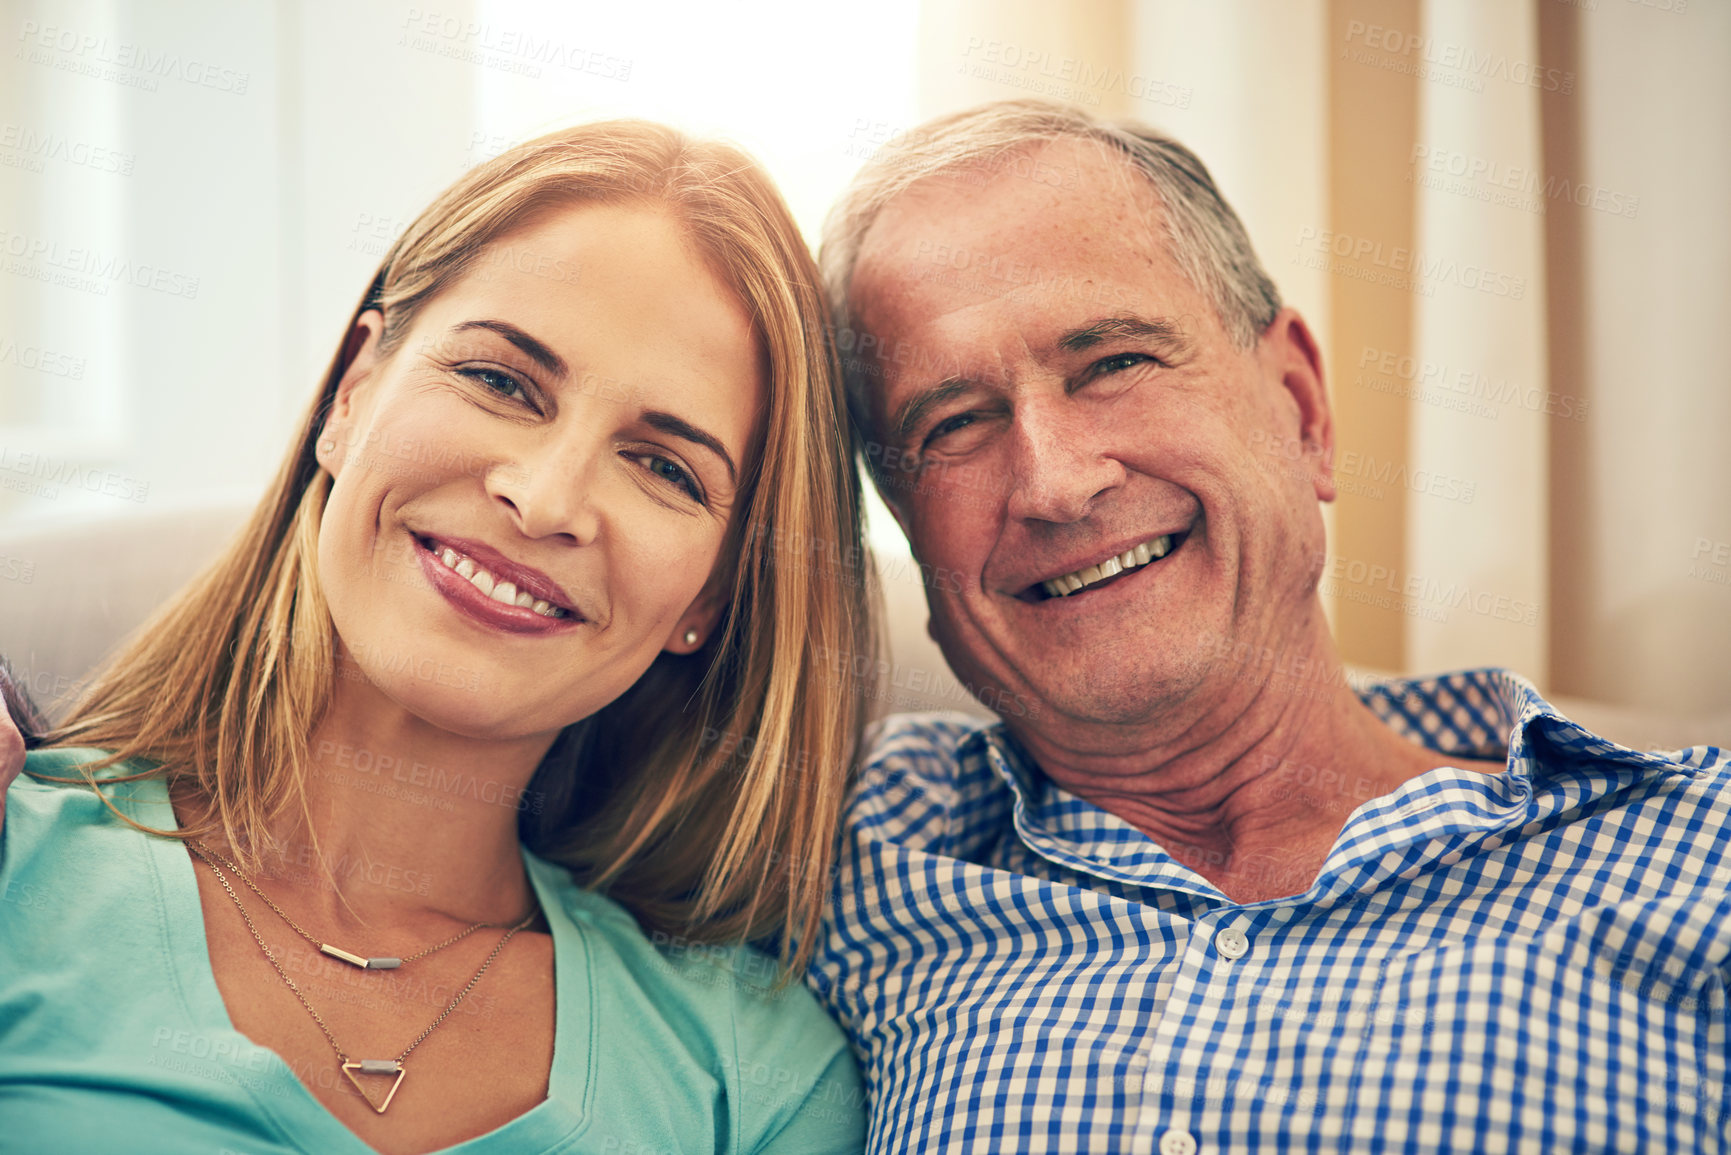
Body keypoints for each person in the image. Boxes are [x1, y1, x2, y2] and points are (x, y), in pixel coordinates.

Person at [810, 99, 1731, 1153]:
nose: (1056, 484)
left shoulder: (1700, 853)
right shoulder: (833, 845)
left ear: (1302, 409)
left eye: (1113, 363)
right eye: (954, 423)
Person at [0, 120, 871, 1155]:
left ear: (714, 597)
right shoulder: (17, 866)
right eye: (503, 382)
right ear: (353, 390)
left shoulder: (756, 1075)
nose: (546, 499)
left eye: (663, 467)